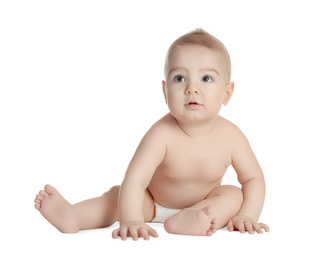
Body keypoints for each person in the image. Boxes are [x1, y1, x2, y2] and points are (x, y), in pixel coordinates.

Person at [34, 28, 269, 240]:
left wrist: (248, 215)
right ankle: (73, 216)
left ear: (227, 94)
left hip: (203, 206)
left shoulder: (231, 136)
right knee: (116, 200)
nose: (192, 88)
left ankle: (189, 220)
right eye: (180, 78)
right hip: (152, 204)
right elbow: (135, 179)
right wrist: (132, 220)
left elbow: (253, 179)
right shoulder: (161, 134)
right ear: (165, 92)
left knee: (233, 195)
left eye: (206, 78)